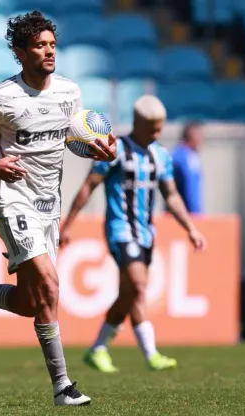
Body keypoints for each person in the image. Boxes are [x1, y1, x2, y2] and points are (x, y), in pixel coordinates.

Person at [0, 11, 116, 406]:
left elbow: (74, 137)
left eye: (52, 45)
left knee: (32, 303)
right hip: (15, 201)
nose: (49, 52)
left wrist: (102, 148)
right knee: (50, 285)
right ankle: (63, 388)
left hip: (50, 205)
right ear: (20, 52)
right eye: (39, 46)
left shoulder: (69, 92)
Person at [60, 95, 206, 373]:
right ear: (138, 123)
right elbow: (88, 187)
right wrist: (68, 225)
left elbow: (171, 195)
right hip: (119, 229)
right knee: (138, 286)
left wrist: (190, 228)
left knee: (131, 292)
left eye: (160, 128)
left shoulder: (160, 155)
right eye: (152, 128)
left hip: (146, 233)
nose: (157, 133)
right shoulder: (114, 150)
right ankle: (148, 354)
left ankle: (101, 349)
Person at [171, 122, 205, 214]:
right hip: (185, 215)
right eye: (200, 135)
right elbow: (191, 189)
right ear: (193, 136)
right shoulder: (185, 158)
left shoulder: (184, 155)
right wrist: (196, 213)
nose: (202, 139)